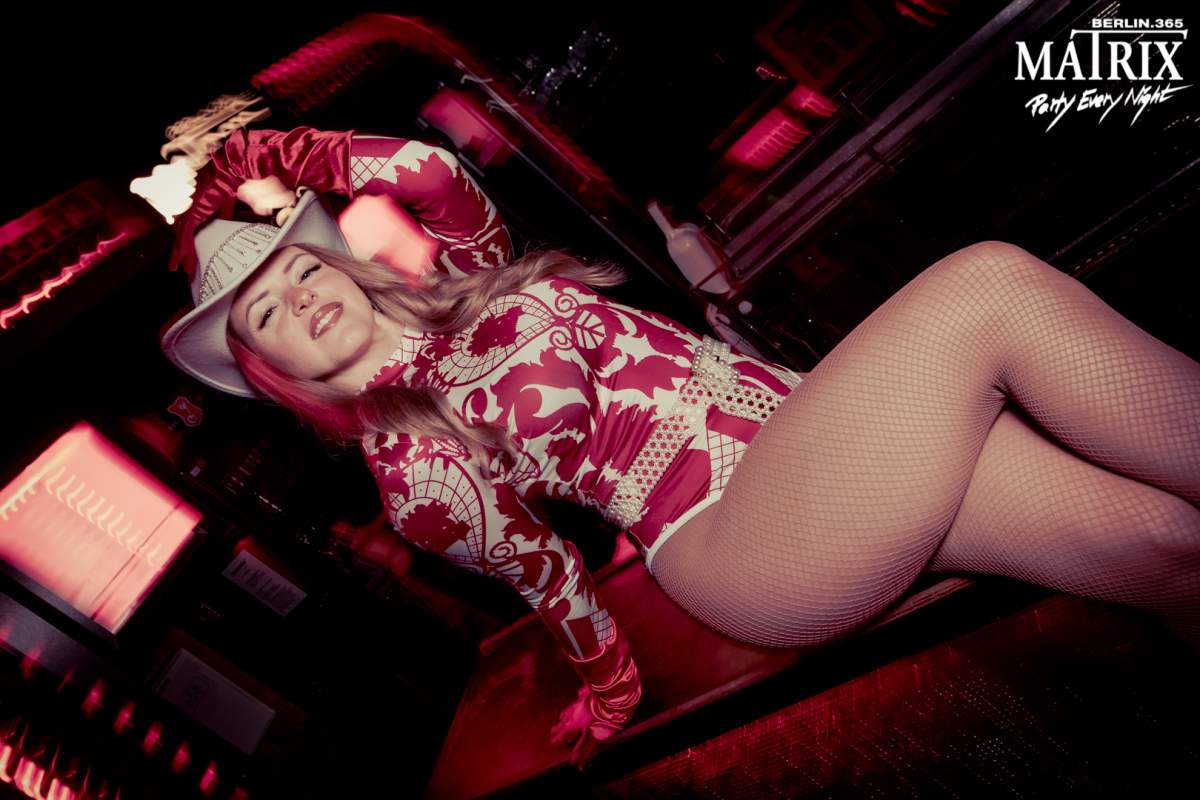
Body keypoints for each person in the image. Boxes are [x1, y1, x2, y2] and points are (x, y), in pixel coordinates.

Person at [162, 126, 1200, 769]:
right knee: (989, 285)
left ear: (337, 264)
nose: (299, 297)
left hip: (826, 445)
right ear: (267, 370)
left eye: (300, 270)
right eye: (266, 313)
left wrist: (270, 154)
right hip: (742, 539)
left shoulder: (473, 276)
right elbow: (552, 577)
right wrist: (609, 698)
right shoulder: (414, 473)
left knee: (1165, 544)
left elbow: (428, 168)